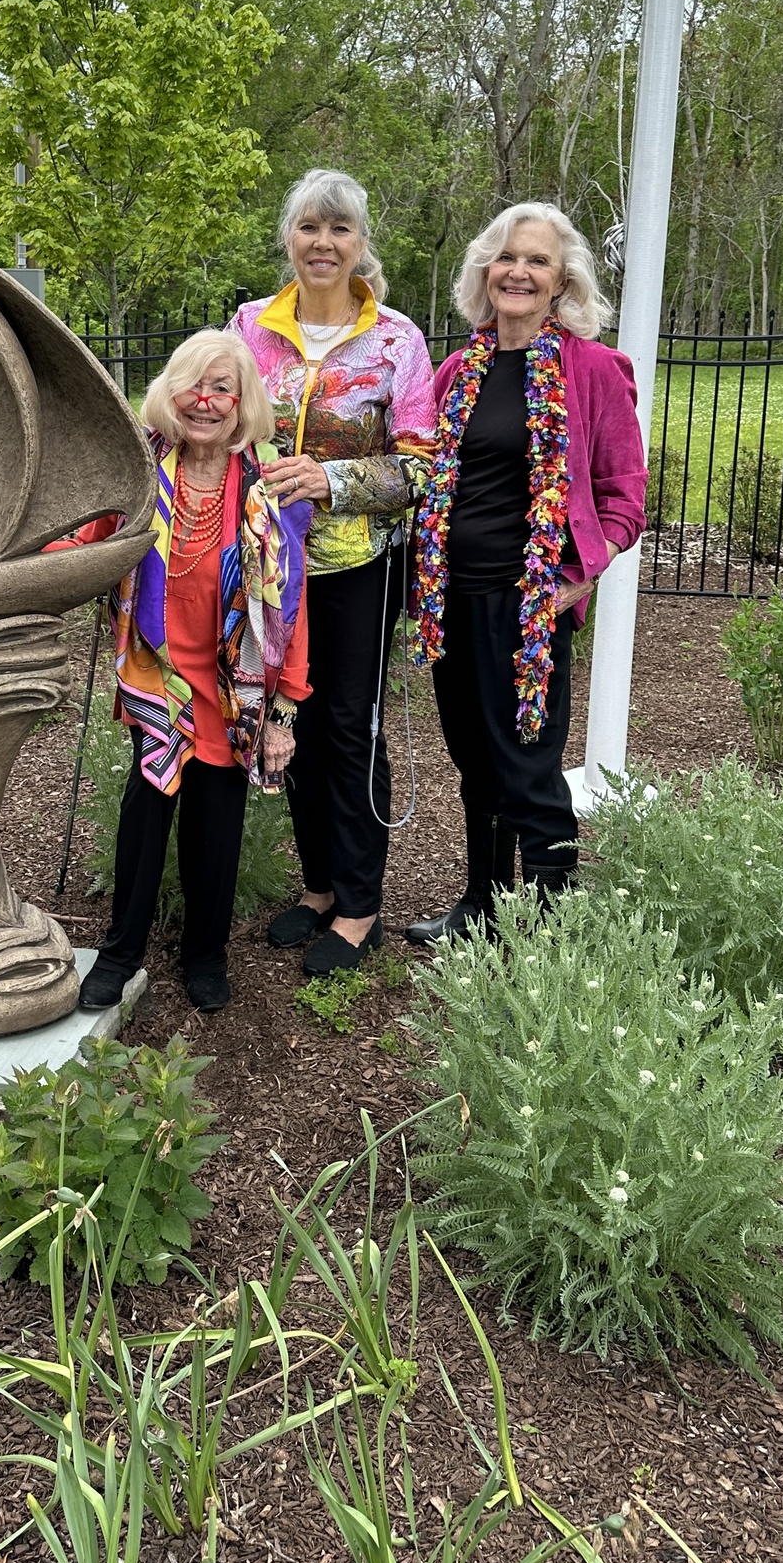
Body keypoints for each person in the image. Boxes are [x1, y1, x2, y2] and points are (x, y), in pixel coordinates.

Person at [0, 329, 311, 1013]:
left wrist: (285, 710)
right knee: (145, 822)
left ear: (243, 401)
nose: (206, 401)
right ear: (170, 395)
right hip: (157, 679)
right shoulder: (139, 476)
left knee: (216, 829)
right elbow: (76, 541)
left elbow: (291, 606)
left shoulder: (271, 489)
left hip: (235, 692)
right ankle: (120, 953)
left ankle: (205, 956)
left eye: (223, 387)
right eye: (193, 385)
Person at [404, 202, 647, 946]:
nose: (519, 270)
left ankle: (551, 930)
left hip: (528, 606)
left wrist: (579, 575)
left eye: (537, 260)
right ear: (486, 270)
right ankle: (481, 906)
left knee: (529, 771)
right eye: (507, 257)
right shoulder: (457, 371)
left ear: (561, 281)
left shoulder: (595, 371)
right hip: (453, 597)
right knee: (475, 762)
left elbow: (625, 496)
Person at [231, 169, 437, 977]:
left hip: (355, 566)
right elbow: (219, 418)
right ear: (290, 237)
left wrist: (333, 481)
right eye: (310, 228)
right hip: (267, 564)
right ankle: (317, 887)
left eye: (339, 230)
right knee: (293, 728)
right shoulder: (249, 326)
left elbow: (425, 464)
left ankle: (360, 907)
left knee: (349, 729)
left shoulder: (396, 340)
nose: (323, 243)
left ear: (360, 244)